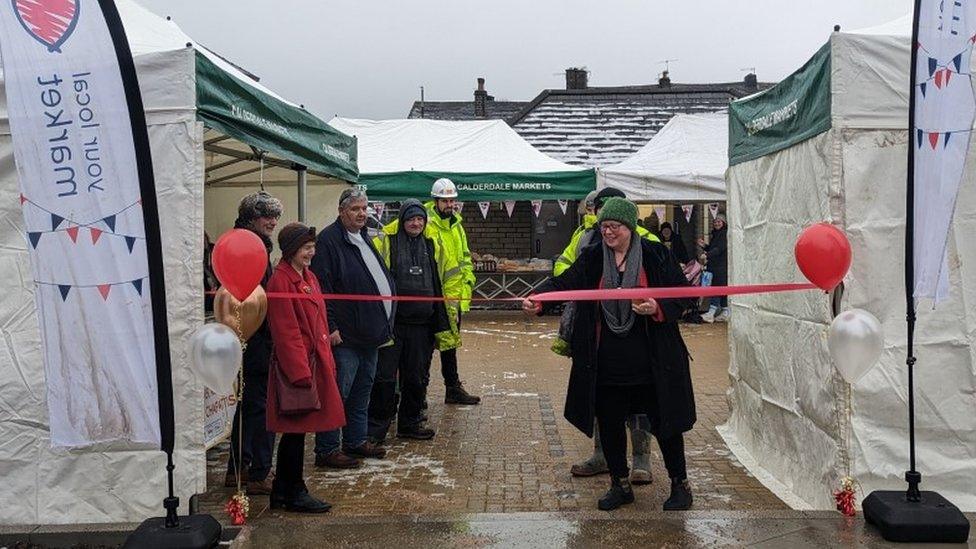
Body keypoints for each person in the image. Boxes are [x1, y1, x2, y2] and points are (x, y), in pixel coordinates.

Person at [523, 197, 696, 512]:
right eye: (604, 226)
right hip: (606, 362)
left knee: (665, 423)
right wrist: (541, 299)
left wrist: (657, 307)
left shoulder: (656, 255)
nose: (608, 232)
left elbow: (684, 295)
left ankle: (680, 484)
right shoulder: (592, 257)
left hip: (652, 362)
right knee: (611, 423)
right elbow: (567, 282)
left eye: (614, 226)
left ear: (630, 226)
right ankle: (620, 484)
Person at [562, 187, 658, 486]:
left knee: (640, 401)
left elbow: (669, 283)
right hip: (595, 330)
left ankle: (641, 459)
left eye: (609, 212)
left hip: (640, 335)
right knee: (600, 396)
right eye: (598, 209)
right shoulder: (585, 238)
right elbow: (565, 267)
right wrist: (551, 295)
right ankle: (602, 455)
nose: (602, 217)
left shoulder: (649, 242)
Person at [312, 188, 395, 469]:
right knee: (338, 393)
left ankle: (356, 440)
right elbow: (323, 289)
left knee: (362, 391)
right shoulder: (329, 241)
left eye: (364, 208)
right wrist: (331, 326)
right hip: (345, 336)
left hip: (370, 334)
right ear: (341, 211)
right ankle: (327, 448)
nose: (362, 214)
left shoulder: (363, 237)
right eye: (355, 209)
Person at [265, 222, 345, 513]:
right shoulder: (281, 281)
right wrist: (300, 373)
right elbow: (286, 332)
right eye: (306, 248)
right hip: (298, 369)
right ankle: (292, 490)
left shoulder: (308, 276)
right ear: (291, 251)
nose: (312, 252)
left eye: (313, 247)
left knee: (298, 432)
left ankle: (285, 490)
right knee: (295, 431)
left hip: (314, 363)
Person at [368, 199, 451, 442]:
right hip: (393, 325)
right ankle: (375, 430)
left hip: (422, 327)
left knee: (415, 378)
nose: (416, 223)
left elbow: (443, 279)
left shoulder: (432, 244)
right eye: (411, 219)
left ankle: (410, 423)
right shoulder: (387, 243)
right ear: (402, 221)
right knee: (384, 378)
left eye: (420, 220)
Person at [225, 191, 281, 495]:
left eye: (275, 216)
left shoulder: (253, 243)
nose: (272, 221)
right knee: (259, 408)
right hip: (254, 339)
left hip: (251, 337)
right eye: (266, 216)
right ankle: (258, 472)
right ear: (251, 218)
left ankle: (239, 467)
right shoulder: (247, 246)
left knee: (249, 406)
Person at [425, 178, 481, 406]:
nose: (450, 205)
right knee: (425, 349)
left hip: (454, 299)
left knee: (450, 345)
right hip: (431, 299)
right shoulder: (426, 224)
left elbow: (465, 258)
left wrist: (466, 286)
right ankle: (418, 393)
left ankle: (453, 388)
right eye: (445, 201)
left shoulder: (457, 225)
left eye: (452, 200)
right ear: (435, 201)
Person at [698, 213, 729, 323]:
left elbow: (719, 249)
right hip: (718, 266)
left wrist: (707, 255)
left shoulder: (724, 234)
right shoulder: (716, 234)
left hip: (720, 267)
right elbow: (713, 248)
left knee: (716, 288)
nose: (716, 223)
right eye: (715, 221)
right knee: (723, 289)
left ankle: (711, 313)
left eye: (719, 221)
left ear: (723, 223)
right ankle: (725, 311)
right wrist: (705, 246)